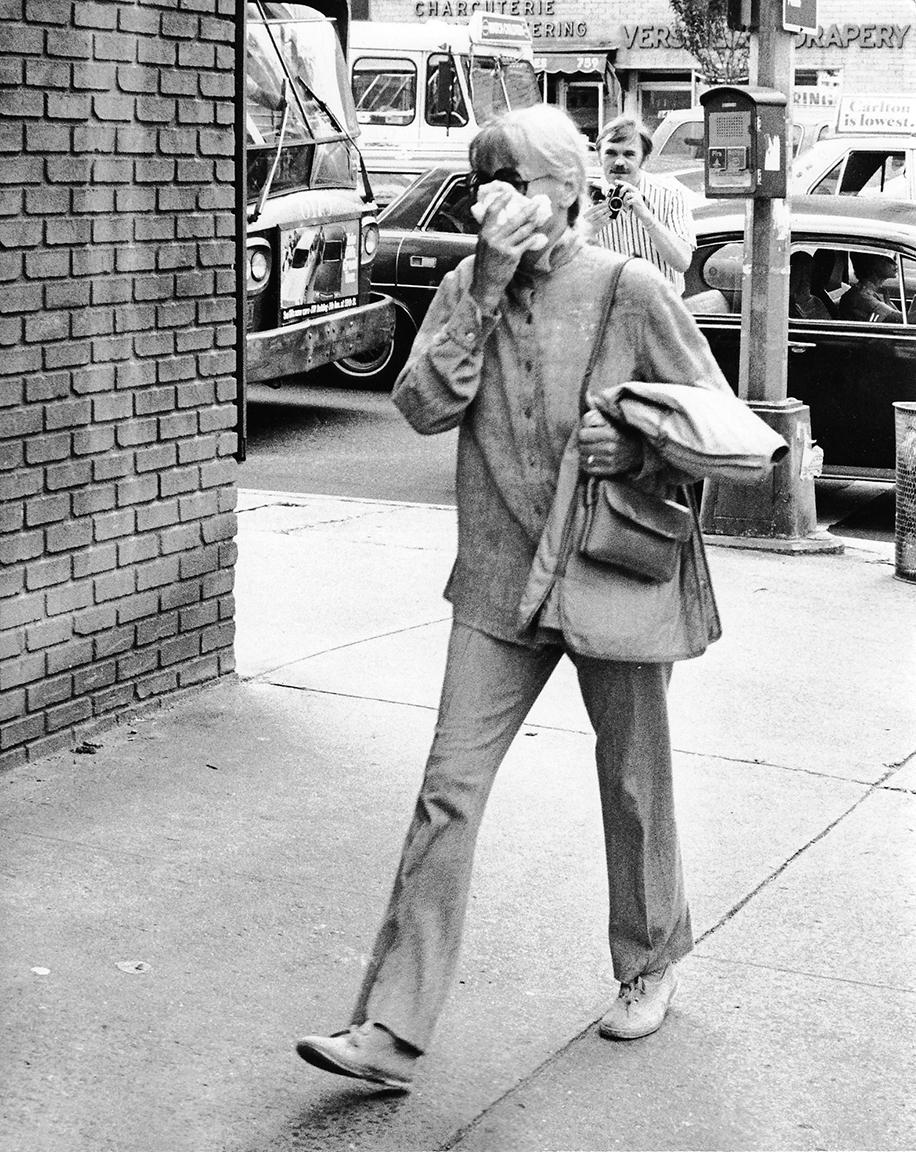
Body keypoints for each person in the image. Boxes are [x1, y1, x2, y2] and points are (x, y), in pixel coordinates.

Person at [295, 104, 732, 1092]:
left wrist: (637, 445)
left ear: (570, 191)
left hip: (608, 569)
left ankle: (649, 959)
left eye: (518, 178)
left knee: (632, 779)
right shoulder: (467, 283)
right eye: (485, 176)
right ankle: (389, 1031)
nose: (497, 195)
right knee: (447, 792)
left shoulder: (628, 289)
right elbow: (419, 405)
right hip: (497, 579)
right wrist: (484, 281)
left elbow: (723, 429)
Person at [584, 114, 696, 294]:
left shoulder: (670, 194)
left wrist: (648, 219)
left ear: (644, 159)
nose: (619, 162)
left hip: (659, 309)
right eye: (610, 153)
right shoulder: (584, 198)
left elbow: (682, 262)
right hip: (609, 309)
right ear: (599, 157)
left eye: (629, 154)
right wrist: (583, 232)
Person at [838, 252, 904, 323]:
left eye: (894, 258)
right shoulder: (861, 297)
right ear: (872, 263)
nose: (895, 263)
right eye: (888, 258)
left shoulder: (875, 292)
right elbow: (904, 320)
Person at [789, 251, 833, 320]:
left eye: (807, 273)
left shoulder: (816, 303)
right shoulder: (781, 302)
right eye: (797, 271)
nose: (803, 278)